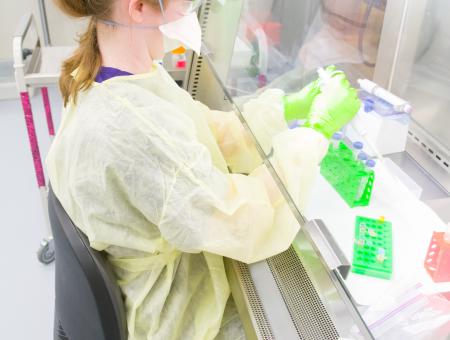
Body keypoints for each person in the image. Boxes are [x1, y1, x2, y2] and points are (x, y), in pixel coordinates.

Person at [47, 0, 359, 339]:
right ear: (137, 7)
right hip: (177, 319)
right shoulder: (136, 128)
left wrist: (281, 111)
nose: (191, 7)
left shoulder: (114, 70)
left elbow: (197, 132)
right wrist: (315, 133)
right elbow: (242, 221)